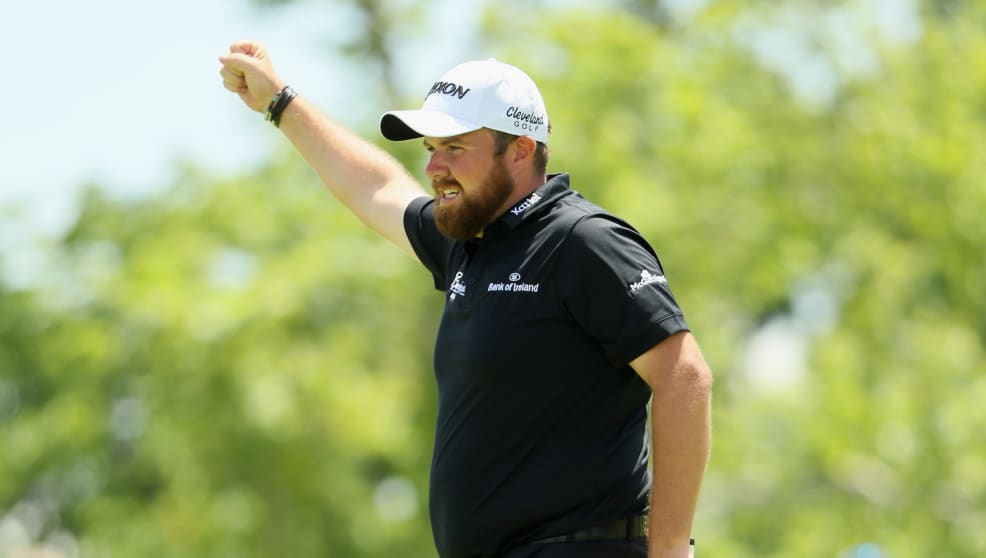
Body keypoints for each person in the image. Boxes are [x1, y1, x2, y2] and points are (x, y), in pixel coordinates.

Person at [218, 40, 712, 558]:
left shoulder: (582, 241)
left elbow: (685, 376)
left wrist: (671, 548)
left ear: (520, 149)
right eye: (431, 149)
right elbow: (376, 188)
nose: (435, 167)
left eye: (455, 148)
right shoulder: (471, 242)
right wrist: (280, 103)